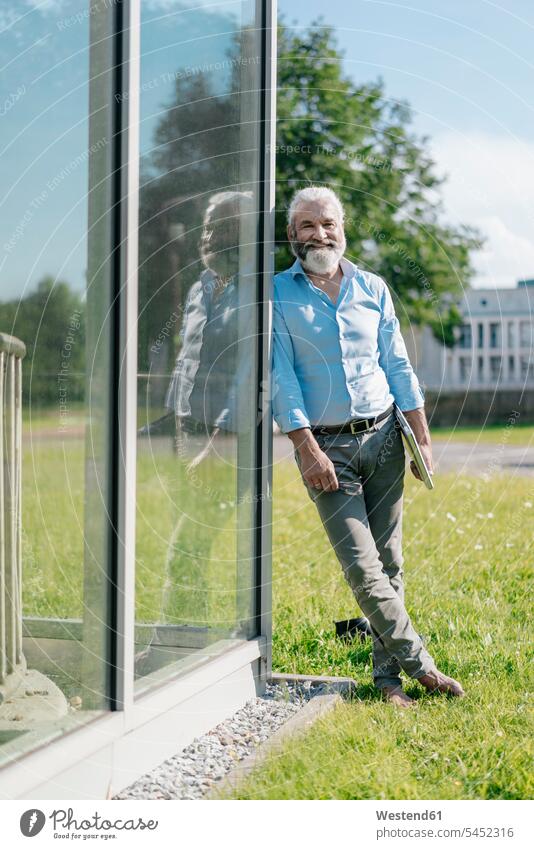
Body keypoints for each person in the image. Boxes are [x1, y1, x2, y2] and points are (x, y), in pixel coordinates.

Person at [271, 186, 465, 707]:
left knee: (391, 562)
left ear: (342, 230)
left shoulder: (372, 287)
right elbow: (281, 378)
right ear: (292, 236)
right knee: (362, 567)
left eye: (328, 223)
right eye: (308, 226)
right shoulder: (276, 295)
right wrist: (305, 447)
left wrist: (420, 433)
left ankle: (387, 681)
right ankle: (424, 667)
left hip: (384, 439)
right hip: (326, 450)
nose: (320, 234)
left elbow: (397, 364)